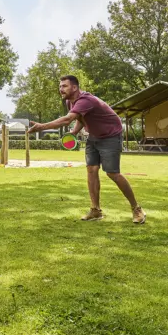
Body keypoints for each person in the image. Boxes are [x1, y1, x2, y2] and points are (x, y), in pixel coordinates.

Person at [28, 75, 146, 224]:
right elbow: (80, 118)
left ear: (75, 87)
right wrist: (74, 133)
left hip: (110, 135)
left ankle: (137, 209)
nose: (61, 89)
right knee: (91, 170)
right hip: (94, 136)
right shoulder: (70, 102)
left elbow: (67, 119)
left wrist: (42, 126)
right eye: (60, 86)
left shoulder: (86, 100)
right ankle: (95, 210)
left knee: (112, 173)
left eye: (64, 86)